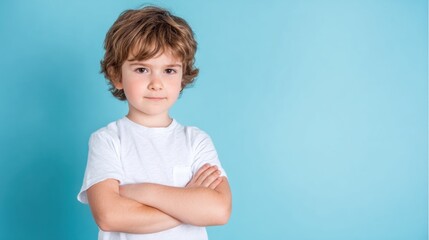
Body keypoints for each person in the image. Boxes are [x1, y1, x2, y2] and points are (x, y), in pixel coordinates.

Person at [77, 5, 232, 240]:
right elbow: (110, 216)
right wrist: (188, 203)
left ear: (183, 76)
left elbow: (218, 211)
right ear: (116, 75)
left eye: (169, 70)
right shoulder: (107, 140)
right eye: (142, 69)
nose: (156, 83)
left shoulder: (196, 141)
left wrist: (139, 192)